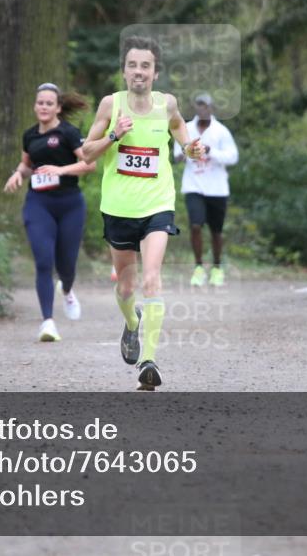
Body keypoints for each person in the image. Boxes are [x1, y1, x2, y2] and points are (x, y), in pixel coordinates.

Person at [82, 36, 205, 390]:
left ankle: (148, 360)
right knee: (126, 287)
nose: (139, 71)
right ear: (124, 71)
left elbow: (180, 126)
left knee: (152, 278)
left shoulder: (167, 104)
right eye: (133, 65)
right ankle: (132, 324)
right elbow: (87, 154)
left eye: (145, 66)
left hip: (157, 204)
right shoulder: (110, 105)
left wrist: (189, 147)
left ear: (155, 72)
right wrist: (113, 137)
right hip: (118, 208)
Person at [4, 83, 96, 341]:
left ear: (57, 107)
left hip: (69, 204)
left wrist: (60, 170)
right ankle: (48, 322)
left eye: (48, 103)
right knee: (44, 261)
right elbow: (26, 165)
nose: (43, 107)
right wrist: (17, 174)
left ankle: (66, 289)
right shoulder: (30, 135)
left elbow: (89, 164)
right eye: (40, 103)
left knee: (66, 265)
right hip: (39, 203)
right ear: (35, 106)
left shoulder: (68, 132)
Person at [172, 93, 239, 287]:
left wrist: (211, 151)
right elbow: (177, 155)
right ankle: (198, 267)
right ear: (195, 108)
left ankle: (217, 267)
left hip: (217, 188)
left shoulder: (221, 131)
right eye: (199, 106)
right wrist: (187, 152)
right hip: (194, 186)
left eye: (206, 106)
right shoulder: (187, 129)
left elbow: (232, 156)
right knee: (195, 225)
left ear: (211, 109)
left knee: (216, 231)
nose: (202, 109)